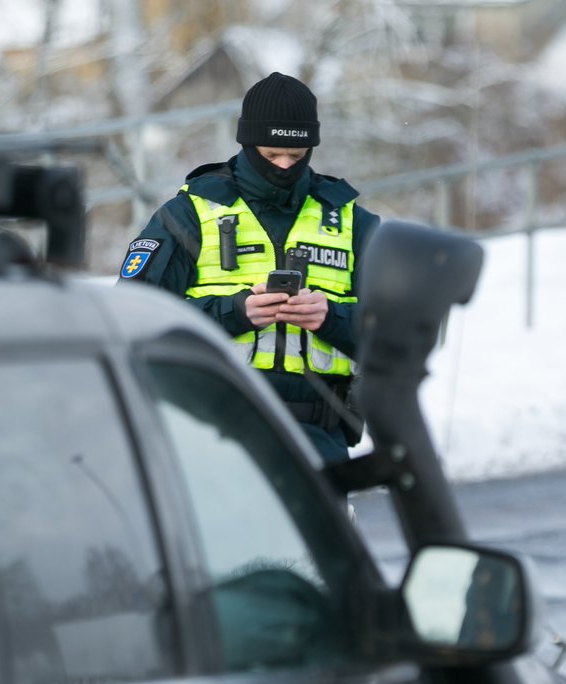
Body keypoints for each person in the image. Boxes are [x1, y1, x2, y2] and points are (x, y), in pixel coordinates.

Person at [117, 72, 380, 463]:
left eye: (297, 155)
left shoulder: (350, 222)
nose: (285, 166)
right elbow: (132, 319)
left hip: (319, 443)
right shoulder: (189, 214)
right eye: (272, 154)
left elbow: (399, 337)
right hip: (210, 437)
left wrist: (331, 316)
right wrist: (234, 312)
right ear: (246, 141)